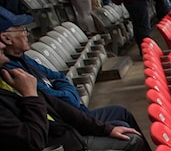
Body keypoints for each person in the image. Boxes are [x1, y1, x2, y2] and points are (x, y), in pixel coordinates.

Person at [0, 23, 152, 151]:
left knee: (131, 138)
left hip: (66, 139)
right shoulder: (13, 81)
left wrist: (106, 129)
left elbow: (61, 103)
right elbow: (33, 140)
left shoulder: (12, 73)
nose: (3, 50)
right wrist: (30, 96)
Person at [2, 14, 144, 132]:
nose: (26, 34)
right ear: (6, 38)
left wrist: (64, 89)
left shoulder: (24, 58)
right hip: (68, 122)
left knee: (122, 112)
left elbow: (59, 77)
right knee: (124, 130)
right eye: (22, 30)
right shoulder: (12, 72)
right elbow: (58, 100)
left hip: (77, 112)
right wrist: (68, 92)